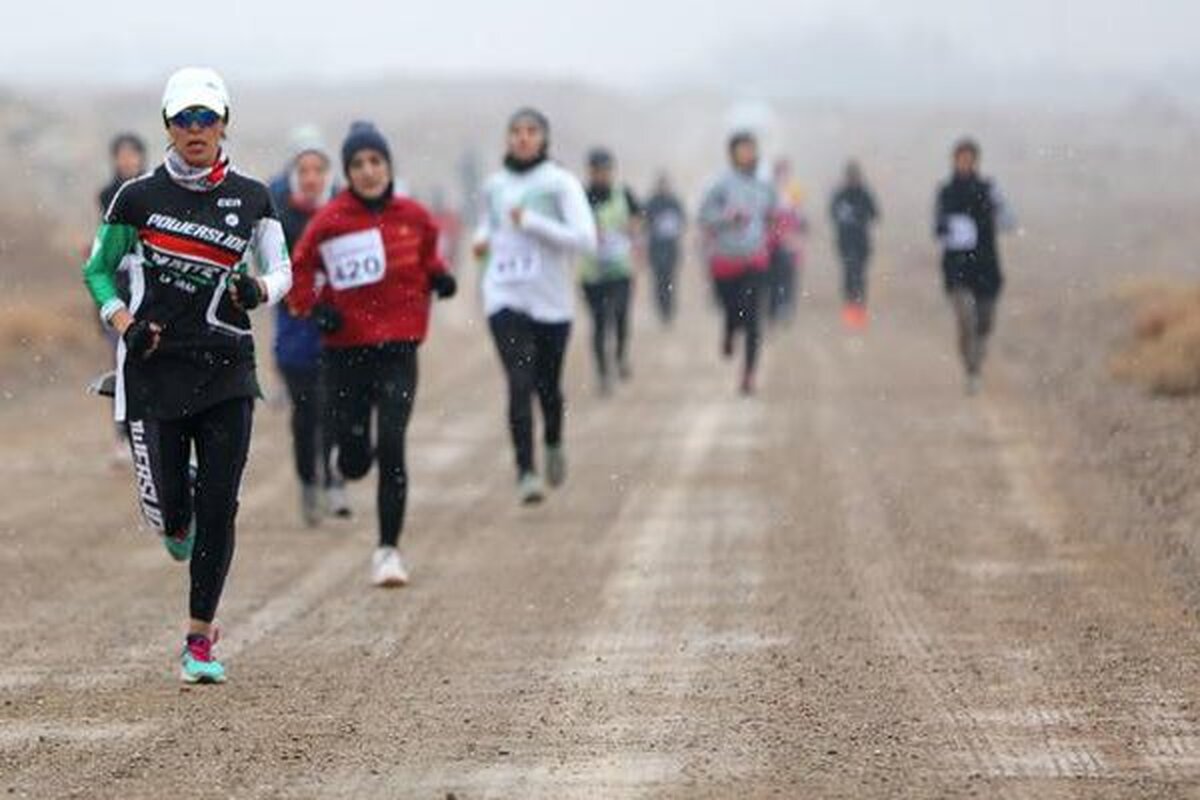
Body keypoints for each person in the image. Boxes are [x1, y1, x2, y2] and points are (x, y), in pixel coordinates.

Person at [81, 67, 292, 684]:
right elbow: (98, 270)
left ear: (224, 121)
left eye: (207, 117)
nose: (196, 129)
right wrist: (122, 322)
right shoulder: (137, 198)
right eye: (184, 119)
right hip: (153, 367)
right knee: (173, 519)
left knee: (220, 505)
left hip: (228, 367)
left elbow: (283, 271)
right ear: (168, 127)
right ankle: (177, 507)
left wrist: (259, 288)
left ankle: (199, 639)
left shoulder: (252, 198)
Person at [289, 121, 457, 587]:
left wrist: (440, 277)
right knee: (357, 459)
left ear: (388, 166)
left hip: (399, 348)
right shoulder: (330, 220)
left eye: (376, 162)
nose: (368, 171)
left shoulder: (414, 215)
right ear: (347, 171)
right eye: (359, 164)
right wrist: (315, 309)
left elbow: (428, 257)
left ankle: (388, 550)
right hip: (346, 353)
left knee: (394, 445)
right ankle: (349, 456)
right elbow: (300, 269)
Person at [473, 108, 597, 504]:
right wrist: (481, 241)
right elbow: (489, 225)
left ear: (544, 138)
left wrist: (533, 222)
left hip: (551, 302)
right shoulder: (494, 185)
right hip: (505, 295)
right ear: (507, 139)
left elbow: (585, 239)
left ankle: (554, 439)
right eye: (516, 132)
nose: (523, 138)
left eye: (531, 132)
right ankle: (525, 470)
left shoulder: (560, 183)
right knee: (518, 380)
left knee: (547, 386)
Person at [268, 126, 351, 526]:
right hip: (296, 336)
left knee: (335, 410)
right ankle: (308, 480)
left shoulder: (344, 217)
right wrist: (303, 302)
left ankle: (334, 477)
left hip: (339, 334)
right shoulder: (280, 221)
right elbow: (272, 277)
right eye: (304, 169)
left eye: (319, 169)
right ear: (294, 174)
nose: (312, 176)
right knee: (306, 414)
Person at [934, 138, 1016, 394]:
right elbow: (936, 226)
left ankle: (977, 360)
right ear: (954, 160)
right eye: (961, 158)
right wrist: (946, 227)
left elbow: (1009, 221)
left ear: (976, 160)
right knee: (965, 320)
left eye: (969, 158)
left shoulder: (989, 189)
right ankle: (971, 370)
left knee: (984, 322)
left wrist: (995, 212)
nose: (965, 163)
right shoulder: (945, 192)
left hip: (986, 265)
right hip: (956, 268)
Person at [698, 130, 776, 395]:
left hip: (754, 259)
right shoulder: (719, 184)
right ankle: (730, 330)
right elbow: (703, 216)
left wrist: (772, 234)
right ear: (732, 154)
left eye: (751, 149)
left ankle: (749, 374)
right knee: (732, 309)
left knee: (753, 318)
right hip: (724, 260)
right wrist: (725, 218)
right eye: (742, 150)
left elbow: (773, 216)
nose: (747, 155)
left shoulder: (765, 185)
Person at [96, 133, 148, 465]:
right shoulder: (107, 195)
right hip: (118, 285)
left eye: (133, 155)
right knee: (121, 363)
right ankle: (123, 434)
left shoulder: (154, 192)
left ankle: (146, 432)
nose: (128, 160)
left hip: (148, 285)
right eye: (122, 155)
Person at [579, 147, 642, 394]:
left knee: (620, 317)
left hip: (620, 270)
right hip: (591, 273)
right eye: (597, 171)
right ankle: (603, 372)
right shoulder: (581, 197)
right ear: (590, 172)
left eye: (605, 170)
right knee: (598, 322)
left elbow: (639, 217)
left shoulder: (623, 194)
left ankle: (620, 356)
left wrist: (630, 228)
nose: (601, 175)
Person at [830, 160, 879, 330]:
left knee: (860, 274)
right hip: (845, 241)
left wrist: (860, 214)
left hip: (862, 242)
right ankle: (850, 307)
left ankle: (860, 308)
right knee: (849, 273)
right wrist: (844, 217)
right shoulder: (840, 195)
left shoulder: (865, 194)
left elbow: (875, 214)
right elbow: (832, 213)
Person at [766, 158, 808, 324]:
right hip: (771, 244)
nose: (782, 175)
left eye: (785, 171)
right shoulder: (767, 191)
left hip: (789, 243)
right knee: (773, 279)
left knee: (788, 278)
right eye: (780, 171)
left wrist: (797, 238)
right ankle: (773, 310)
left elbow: (801, 217)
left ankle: (785, 309)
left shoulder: (794, 190)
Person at [642, 173, 686, 324]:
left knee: (670, 280)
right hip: (655, 248)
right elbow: (643, 222)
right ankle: (661, 309)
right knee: (658, 281)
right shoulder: (651, 203)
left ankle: (669, 310)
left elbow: (683, 221)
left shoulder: (674, 202)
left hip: (671, 248)